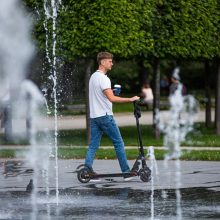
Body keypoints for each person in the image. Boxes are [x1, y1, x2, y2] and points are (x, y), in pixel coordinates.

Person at [85, 51, 140, 181]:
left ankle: (87, 169)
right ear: (102, 62)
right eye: (110, 61)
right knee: (118, 143)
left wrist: (112, 92)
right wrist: (130, 99)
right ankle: (126, 172)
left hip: (94, 117)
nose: (112, 64)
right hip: (105, 116)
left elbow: (103, 94)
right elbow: (111, 99)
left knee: (93, 145)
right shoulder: (104, 78)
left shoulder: (93, 77)